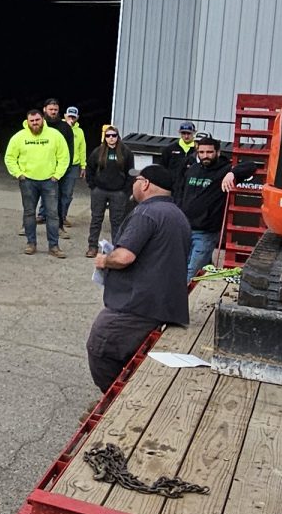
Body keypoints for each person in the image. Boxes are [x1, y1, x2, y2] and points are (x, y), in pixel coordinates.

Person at [87, 162, 192, 391]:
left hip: (138, 305)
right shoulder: (178, 214)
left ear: (145, 184)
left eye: (136, 180)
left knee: (101, 346)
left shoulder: (146, 212)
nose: (133, 184)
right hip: (164, 302)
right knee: (129, 353)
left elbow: (124, 257)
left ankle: (115, 399)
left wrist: (104, 260)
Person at [4, 108, 72, 256]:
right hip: (27, 181)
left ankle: (54, 246)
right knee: (29, 213)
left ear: (43, 119)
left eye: (37, 120)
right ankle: (31, 243)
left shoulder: (55, 135)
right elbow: (9, 157)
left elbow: (64, 156)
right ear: (27, 122)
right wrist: (19, 174)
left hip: (50, 181)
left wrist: (57, 175)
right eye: (32, 121)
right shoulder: (19, 137)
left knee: (53, 215)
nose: (35, 123)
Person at [178, 137, 239, 278]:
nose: (205, 155)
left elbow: (250, 167)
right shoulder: (192, 169)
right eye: (202, 152)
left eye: (209, 152)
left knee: (191, 272)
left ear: (218, 152)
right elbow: (180, 190)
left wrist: (232, 173)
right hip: (185, 228)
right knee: (180, 268)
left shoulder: (225, 170)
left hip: (206, 232)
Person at [85, 123, 136, 255]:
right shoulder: (98, 151)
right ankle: (92, 246)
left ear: (118, 137)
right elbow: (89, 168)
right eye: (108, 136)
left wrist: (125, 190)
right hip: (100, 191)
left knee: (117, 221)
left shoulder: (126, 152)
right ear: (105, 137)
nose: (111, 138)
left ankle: (116, 248)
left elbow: (131, 172)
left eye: (114, 135)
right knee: (96, 219)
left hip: (118, 193)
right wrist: (93, 186)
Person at [44, 99, 87, 230]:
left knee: (66, 194)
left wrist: (83, 165)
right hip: (53, 164)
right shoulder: (55, 126)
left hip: (72, 166)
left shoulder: (79, 131)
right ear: (65, 115)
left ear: (77, 117)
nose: (72, 118)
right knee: (48, 192)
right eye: (69, 116)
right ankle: (43, 215)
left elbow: (81, 149)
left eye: (74, 116)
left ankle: (61, 218)